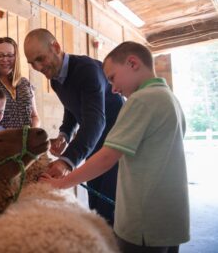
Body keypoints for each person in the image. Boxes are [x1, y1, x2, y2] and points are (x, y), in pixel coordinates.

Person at [40, 41, 190, 253]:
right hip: (171, 218)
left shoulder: (140, 101)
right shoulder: (169, 99)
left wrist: (62, 183)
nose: (113, 89)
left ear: (132, 63)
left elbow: (107, 157)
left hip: (143, 222)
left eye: (112, 78)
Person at [24, 28, 124, 225]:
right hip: (93, 145)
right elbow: (72, 108)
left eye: (40, 58)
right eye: (32, 63)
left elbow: (96, 120)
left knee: (112, 210)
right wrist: (65, 134)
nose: (38, 67)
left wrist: (67, 161)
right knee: (96, 209)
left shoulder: (87, 70)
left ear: (56, 47)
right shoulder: (55, 80)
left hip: (117, 146)